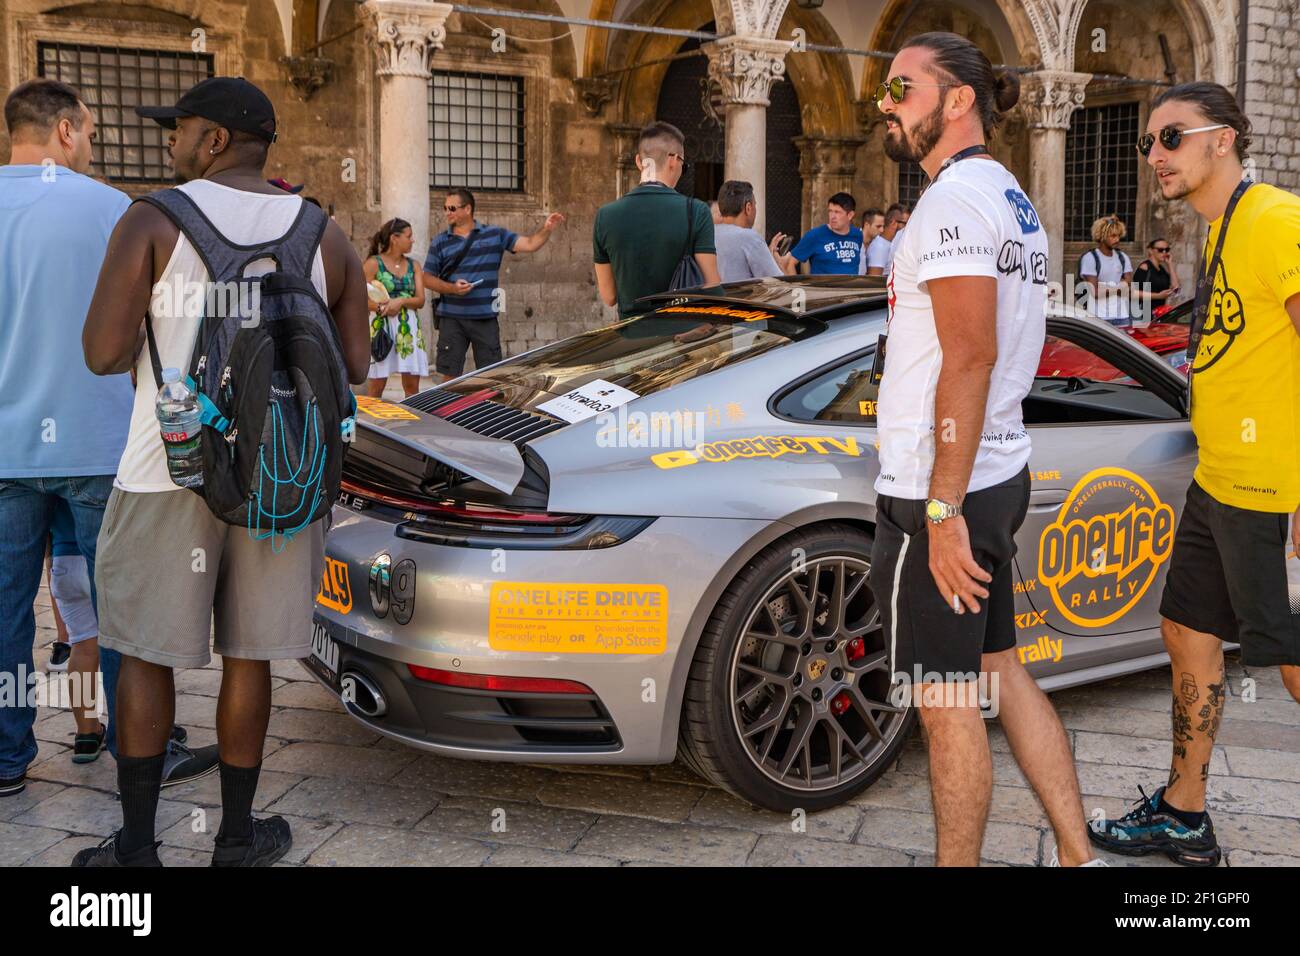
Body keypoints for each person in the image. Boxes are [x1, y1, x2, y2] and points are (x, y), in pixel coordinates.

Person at [77, 76, 369, 866]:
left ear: (212, 140)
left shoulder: (153, 218)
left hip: (165, 473)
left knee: (145, 655)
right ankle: (237, 841)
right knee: (250, 656)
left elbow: (102, 352)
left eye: (179, 128)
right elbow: (354, 364)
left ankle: (137, 848)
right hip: (280, 481)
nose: (171, 141)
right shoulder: (324, 234)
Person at [868, 32, 1101, 867]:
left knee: (945, 702)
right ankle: (1078, 854)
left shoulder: (955, 202)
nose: (886, 104)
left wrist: (939, 510)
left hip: (943, 488)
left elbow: (970, 356)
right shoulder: (1007, 196)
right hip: (993, 472)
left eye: (903, 89)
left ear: (958, 99)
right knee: (1002, 669)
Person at [1090, 81, 1300, 867]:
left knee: (1290, 662)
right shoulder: (1223, 230)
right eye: (1149, 141)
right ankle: (1183, 813)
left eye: (1171, 137)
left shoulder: (1274, 219)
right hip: (1221, 480)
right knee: (1186, 630)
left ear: (1223, 139)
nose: (1155, 154)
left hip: (1268, 488)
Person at [0, 79, 212, 800]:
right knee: (121, 606)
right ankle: (136, 746)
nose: (91, 145)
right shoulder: (114, 210)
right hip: (99, 442)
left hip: (5, 450)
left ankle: (6, 757)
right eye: (89, 132)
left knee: (5, 610)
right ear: (66, 129)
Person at [425, 188, 564, 381]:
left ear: (467, 209)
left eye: (452, 208)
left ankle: (487, 402)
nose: (447, 212)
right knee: (449, 375)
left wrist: (547, 228)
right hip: (451, 318)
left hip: (485, 318)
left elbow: (530, 244)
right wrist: (453, 288)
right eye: (445, 208)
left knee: (491, 375)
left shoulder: (495, 234)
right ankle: (449, 403)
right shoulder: (440, 241)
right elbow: (427, 278)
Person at [593, 122, 721, 319]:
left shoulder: (605, 216)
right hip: (682, 331)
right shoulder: (696, 211)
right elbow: (712, 285)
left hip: (632, 332)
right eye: (684, 165)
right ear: (673, 160)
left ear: (638, 161)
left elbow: (609, 297)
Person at [365, 218, 428, 398]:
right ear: (394, 238)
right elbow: (359, 298)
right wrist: (380, 308)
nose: (412, 240)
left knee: (412, 387)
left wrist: (400, 301)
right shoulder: (373, 263)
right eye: (409, 236)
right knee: (376, 386)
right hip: (381, 327)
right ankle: (372, 417)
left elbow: (420, 300)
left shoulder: (414, 265)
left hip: (407, 328)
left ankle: (411, 417)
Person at [713, 180, 783, 283]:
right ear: (748, 208)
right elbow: (776, 282)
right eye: (755, 205)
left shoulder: (709, 233)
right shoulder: (749, 237)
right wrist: (779, 263)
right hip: (739, 294)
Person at [781, 192, 862, 275]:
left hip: (851, 284)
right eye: (830, 211)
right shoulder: (815, 235)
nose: (832, 216)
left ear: (850, 215)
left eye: (837, 212)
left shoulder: (858, 235)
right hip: (823, 283)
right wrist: (796, 283)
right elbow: (789, 263)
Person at [1078, 214, 1133, 325]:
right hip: (1098, 317)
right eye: (1113, 236)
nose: (1117, 239)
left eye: (1118, 236)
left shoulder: (1123, 257)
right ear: (1102, 236)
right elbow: (1096, 292)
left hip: (1122, 316)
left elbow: (1128, 287)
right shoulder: (1090, 258)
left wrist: (1104, 287)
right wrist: (1119, 287)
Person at [1131, 237, 1181, 322]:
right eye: (1160, 250)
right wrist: (1158, 296)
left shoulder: (1161, 269)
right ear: (1151, 251)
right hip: (1144, 314)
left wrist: (1170, 264)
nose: (1164, 252)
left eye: (1167, 250)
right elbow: (1134, 293)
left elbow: (1176, 287)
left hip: (1158, 314)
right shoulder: (1145, 267)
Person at [862, 202, 909, 277]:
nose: (908, 227)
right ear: (893, 222)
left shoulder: (891, 243)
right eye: (906, 223)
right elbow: (875, 278)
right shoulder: (879, 246)